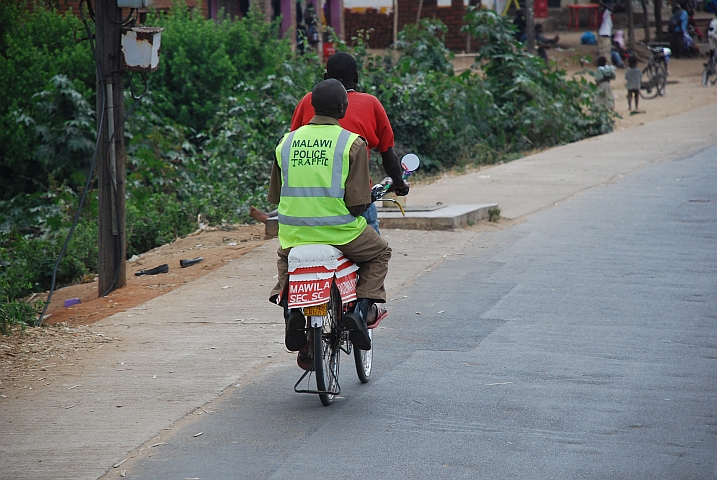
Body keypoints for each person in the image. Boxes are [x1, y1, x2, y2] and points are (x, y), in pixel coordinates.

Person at [268, 79, 392, 355]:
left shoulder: (286, 143)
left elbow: (275, 196)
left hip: (294, 234)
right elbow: (358, 203)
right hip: (341, 233)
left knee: (285, 258)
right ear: (343, 108)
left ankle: (291, 313)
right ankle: (359, 311)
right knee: (380, 252)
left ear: (312, 106)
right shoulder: (352, 143)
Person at [251, 52, 409, 234]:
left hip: (307, 203)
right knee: (377, 254)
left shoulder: (308, 101)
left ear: (325, 78)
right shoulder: (370, 104)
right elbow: (388, 155)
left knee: (288, 253)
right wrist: (399, 183)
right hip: (355, 202)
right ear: (356, 78)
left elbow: (291, 146)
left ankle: (272, 218)